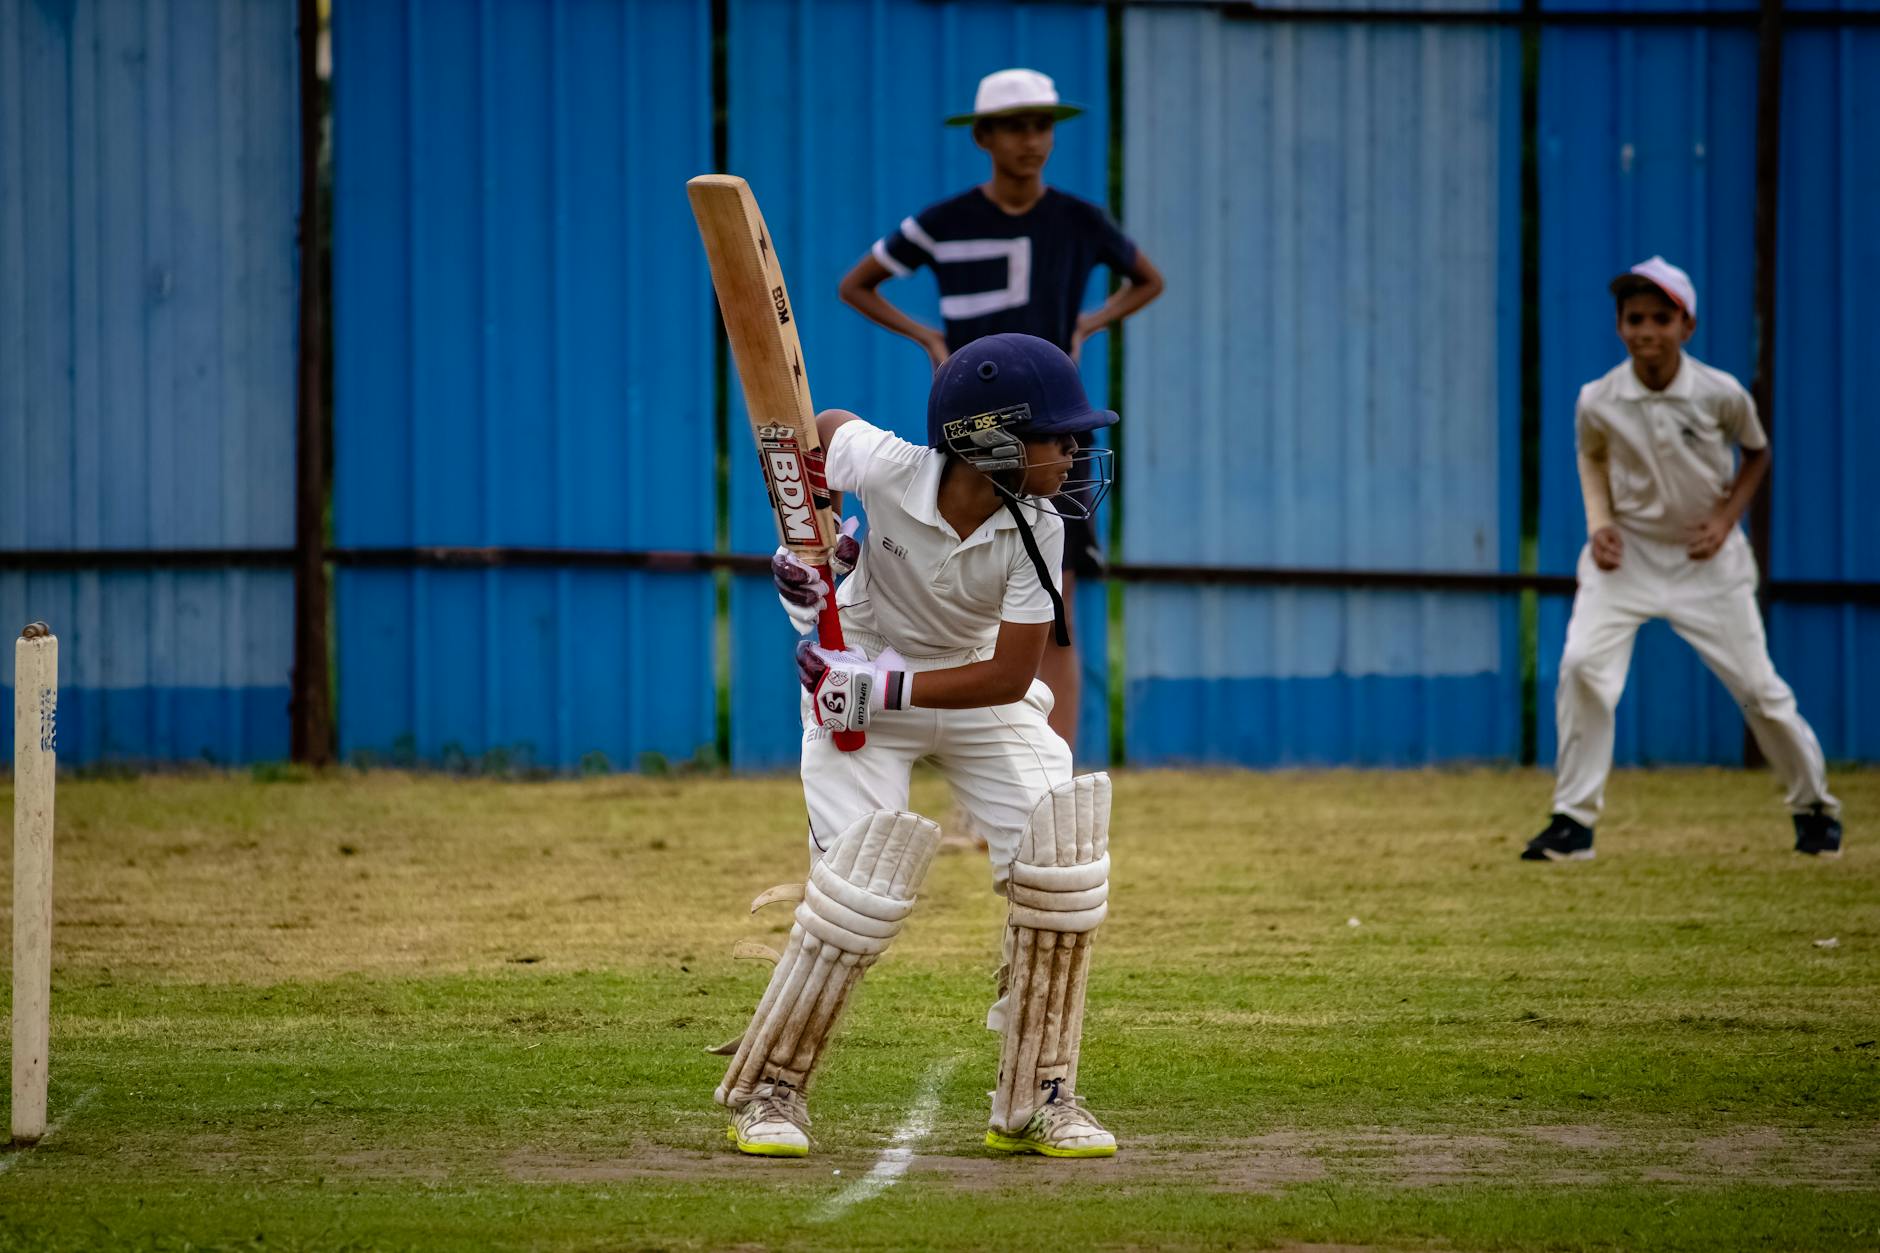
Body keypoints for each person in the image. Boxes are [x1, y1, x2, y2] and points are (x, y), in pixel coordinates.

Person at [715, 334, 1120, 1161]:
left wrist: (887, 688)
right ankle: (772, 1090)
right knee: (855, 888)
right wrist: (813, 540)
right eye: (1060, 435)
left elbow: (1010, 675)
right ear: (994, 440)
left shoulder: (1038, 522)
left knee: (1061, 860)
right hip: (858, 669)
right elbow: (822, 426)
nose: (1075, 451)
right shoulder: (895, 466)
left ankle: (1042, 1095)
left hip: (964, 686)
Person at [838, 67, 1164, 747]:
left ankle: (1054, 774)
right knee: (964, 610)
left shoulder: (1078, 219)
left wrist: (1088, 323)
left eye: (1043, 124)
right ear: (983, 135)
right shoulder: (944, 221)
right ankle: (974, 784)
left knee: (1054, 612)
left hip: (1053, 440)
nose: (1031, 139)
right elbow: (857, 284)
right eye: (1015, 125)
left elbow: (1148, 279)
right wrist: (928, 336)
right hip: (975, 438)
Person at [1524, 256, 1843, 862]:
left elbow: (1756, 453)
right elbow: (1590, 458)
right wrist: (1600, 525)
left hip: (1708, 561)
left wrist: (1725, 521)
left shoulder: (1720, 393)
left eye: (1661, 319)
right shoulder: (1598, 399)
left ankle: (1815, 809)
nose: (1647, 331)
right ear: (1619, 326)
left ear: (1686, 325)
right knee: (1582, 668)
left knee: (1757, 688)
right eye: (1634, 318)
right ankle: (1572, 823)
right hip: (1627, 559)